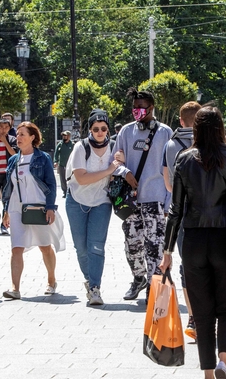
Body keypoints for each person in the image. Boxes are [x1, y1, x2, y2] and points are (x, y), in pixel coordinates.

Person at [159, 106, 226, 379]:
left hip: (194, 241)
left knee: (202, 314)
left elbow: (175, 210)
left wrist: (167, 250)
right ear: (222, 128)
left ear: (195, 130)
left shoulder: (184, 160)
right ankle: (224, 360)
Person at [113, 87, 173, 301]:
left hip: (155, 198)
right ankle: (139, 278)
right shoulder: (126, 132)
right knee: (132, 244)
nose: (137, 111)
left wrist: (168, 203)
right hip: (131, 199)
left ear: (151, 108)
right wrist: (125, 172)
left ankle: (154, 286)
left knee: (155, 246)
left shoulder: (165, 132)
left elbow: (171, 169)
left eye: (141, 108)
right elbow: (115, 161)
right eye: (134, 107)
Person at [1, 122, 65, 299]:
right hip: (16, 208)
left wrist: (50, 207)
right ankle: (15, 288)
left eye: (22, 134)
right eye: (18, 134)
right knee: (16, 248)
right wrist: (5, 211)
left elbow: (51, 184)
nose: (18, 138)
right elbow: (9, 188)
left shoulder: (42, 158)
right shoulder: (14, 160)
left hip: (38, 207)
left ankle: (51, 280)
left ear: (32, 137)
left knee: (44, 247)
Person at [66, 109, 121, 306]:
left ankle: (95, 288)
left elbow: (121, 168)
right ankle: (89, 280)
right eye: (96, 128)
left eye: (103, 128)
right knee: (81, 248)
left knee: (96, 246)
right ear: (90, 128)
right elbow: (81, 178)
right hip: (76, 201)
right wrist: (109, 170)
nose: (100, 132)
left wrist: (119, 167)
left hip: (102, 202)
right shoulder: (81, 148)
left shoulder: (114, 148)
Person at [162, 101, 200, 339]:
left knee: (188, 264)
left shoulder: (171, 145)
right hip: (210, 213)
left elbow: (167, 182)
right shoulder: (212, 143)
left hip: (183, 211)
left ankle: (194, 317)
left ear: (181, 121)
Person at [54, 130, 74, 198]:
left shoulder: (72, 144)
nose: (64, 137)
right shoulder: (60, 144)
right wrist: (55, 161)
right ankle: (65, 191)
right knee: (62, 179)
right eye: (63, 135)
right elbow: (56, 153)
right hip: (62, 164)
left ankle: (70, 191)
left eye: (65, 135)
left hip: (70, 165)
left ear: (69, 136)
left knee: (70, 178)